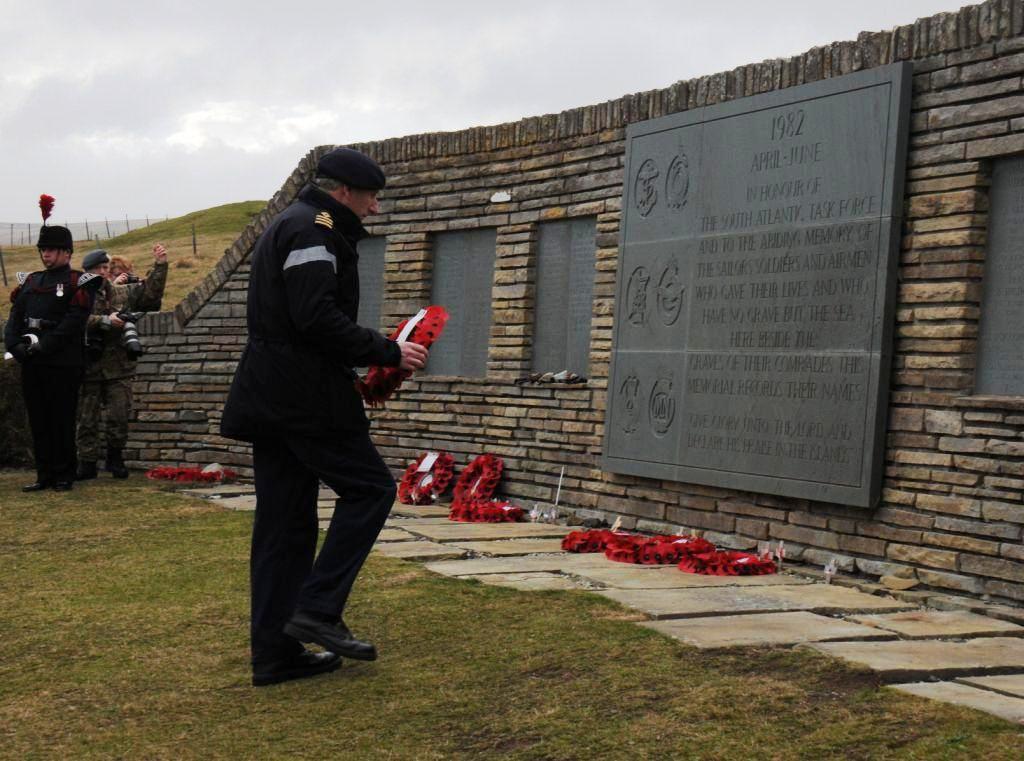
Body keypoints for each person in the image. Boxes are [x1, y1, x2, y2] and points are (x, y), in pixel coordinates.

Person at [221, 147, 429, 687]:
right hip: (304, 398)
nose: (375, 209)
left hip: (274, 395)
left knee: (284, 526)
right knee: (371, 490)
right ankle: (317, 608)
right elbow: (315, 317)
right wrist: (387, 351)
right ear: (343, 193)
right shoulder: (314, 232)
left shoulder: (295, 223)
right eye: (371, 197)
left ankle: (275, 654)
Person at [4, 224, 100, 491]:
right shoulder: (31, 281)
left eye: (51, 250)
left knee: (61, 419)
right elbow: (14, 319)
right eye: (43, 249)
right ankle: (43, 474)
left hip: (63, 362)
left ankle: (63, 474)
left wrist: (43, 346)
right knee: (39, 419)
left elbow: (73, 322)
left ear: (66, 252)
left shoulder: (78, 281)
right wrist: (15, 346)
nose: (46, 254)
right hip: (31, 362)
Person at [75, 245, 168, 480]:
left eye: (106, 268)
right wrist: (103, 321)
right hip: (90, 366)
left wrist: (160, 265)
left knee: (119, 415)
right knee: (87, 420)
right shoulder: (77, 295)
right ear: (86, 272)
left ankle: (115, 459)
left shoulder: (120, 293)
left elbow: (149, 294)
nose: (103, 272)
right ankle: (86, 463)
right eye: (97, 269)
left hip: (118, 366)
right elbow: (72, 320)